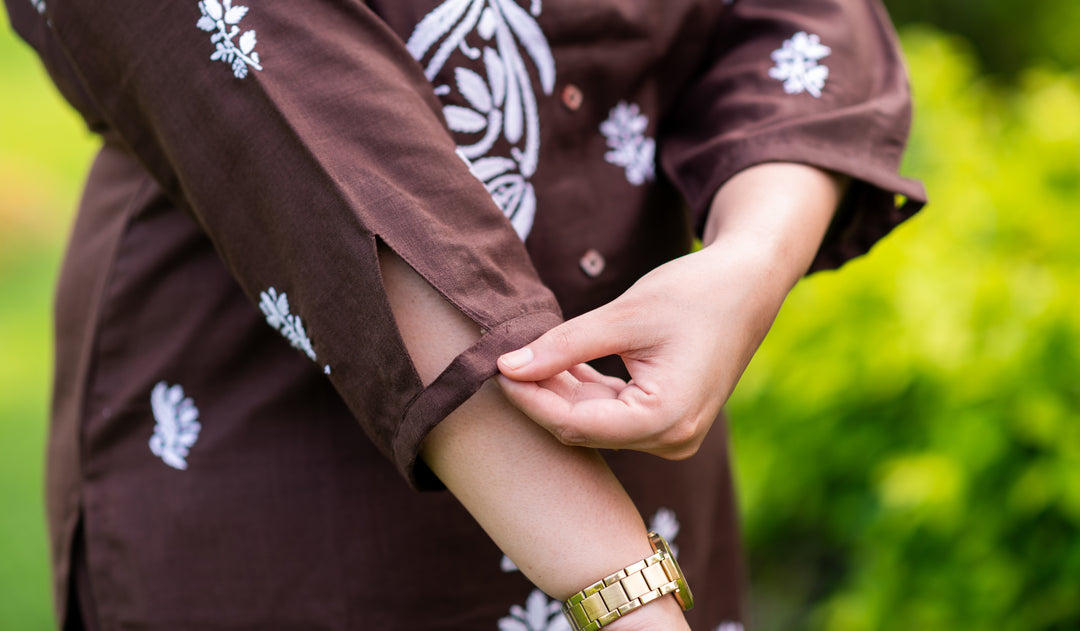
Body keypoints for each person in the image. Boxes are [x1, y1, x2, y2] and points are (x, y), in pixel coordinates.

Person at [5, 0, 925, 629]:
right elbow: (268, 77)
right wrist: (626, 592)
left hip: (640, 454)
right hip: (287, 464)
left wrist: (748, 261)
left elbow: (804, 22)